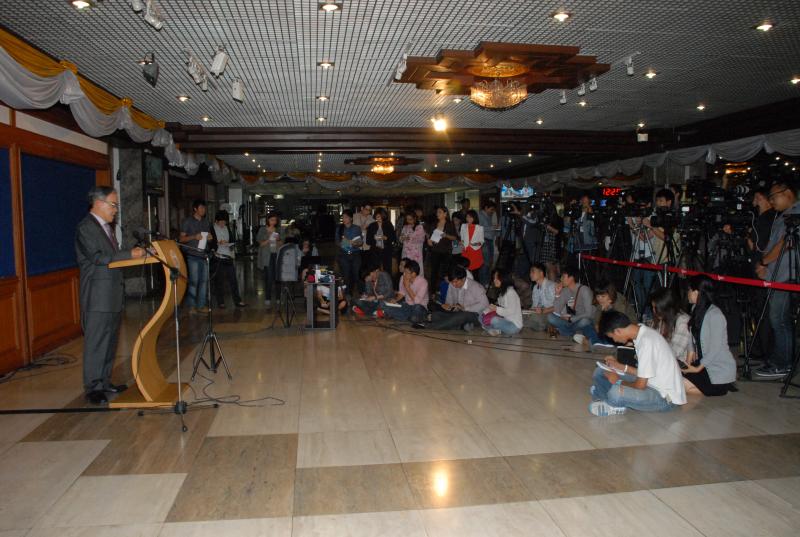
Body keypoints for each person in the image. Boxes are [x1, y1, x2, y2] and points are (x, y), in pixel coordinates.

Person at [75, 186, 145, 405]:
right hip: (97, 296)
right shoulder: (86, 228)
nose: (116, 210)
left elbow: (112, 257)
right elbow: (98, 258)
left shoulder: (106, 228)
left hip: (112, 294)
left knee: (110, 342)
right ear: (99, 203)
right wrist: (129, 254)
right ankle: (93, 388)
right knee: (97, 343)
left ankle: (104, 382)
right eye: (113, 205)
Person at [591, 310, 687, 416]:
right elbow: (643, 373)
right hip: (650, 383)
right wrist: (619, 366)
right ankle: (606, 399)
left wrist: (618, 381)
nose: (614, 340)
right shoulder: (641, 333)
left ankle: (613, 403)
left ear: (618, 331)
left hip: (664, 398)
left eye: (612, 337)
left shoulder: (647, 341)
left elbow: (640, 385)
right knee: (600, 371)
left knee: (616, 392)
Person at [754, 182, 800, 378]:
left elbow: (786, 243)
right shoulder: (783, 215)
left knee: (779, 320)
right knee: (778, 320)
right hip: (777, 274)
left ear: (787, 192)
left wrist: (764, 262)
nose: (772, 201)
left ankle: (783, 363)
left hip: (786, 275)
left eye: (774, 197)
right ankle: (780, 359)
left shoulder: (796, 214)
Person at [683, 275, 737, 395]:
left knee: (682, 385)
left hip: (717, 369)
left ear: (696, 292)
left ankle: (723, 388)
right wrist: (688, 361)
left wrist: (697, 368)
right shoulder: (695, 309)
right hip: (703, 364)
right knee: (676, 379)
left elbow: (715, 349)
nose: (687, 293)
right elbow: (691, 337)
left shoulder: (715, 315)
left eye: (689, 290)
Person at [424, 265, 489, 330]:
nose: (454, 284)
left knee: (462, 316)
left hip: (475, 315)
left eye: (456, 282)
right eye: (452, 282)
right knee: (436, 315)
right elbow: (449, 302)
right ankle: (460, 326)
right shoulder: (451, 285)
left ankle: (431, 326)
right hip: (457, 312)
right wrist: (448, 306)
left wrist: (465, 308)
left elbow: (485, 304)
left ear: (463, 279)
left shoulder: (475, 286)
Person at [180, 199, 214, 314]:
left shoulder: (206, 222)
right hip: (192, 255)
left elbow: (209, 238)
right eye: (201, 208)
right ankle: (192, 306)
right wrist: (194, 237)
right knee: (194, 281)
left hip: (204, 254)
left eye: (204, 208)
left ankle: (201, 305)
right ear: (195, 209)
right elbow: (181, 239)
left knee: (204, 281)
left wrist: (210, 238)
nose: (203, 210)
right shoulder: (187, 222)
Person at [547, 265, 596, 341]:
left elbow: (589, 313)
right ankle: (573, 333)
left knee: (584, 321)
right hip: (573, 321)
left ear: (571, 278)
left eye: (563, 277)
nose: (561, 279)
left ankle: (567, 332)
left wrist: (571, 319)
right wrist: (557, 294)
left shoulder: (584, 290)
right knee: (550, 317)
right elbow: (557, 310)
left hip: (584, 320)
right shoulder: (565, 291)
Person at [577, 281, 629, 353]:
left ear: (610, 295)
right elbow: (596, 321)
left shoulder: (619, 302)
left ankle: (592, 342)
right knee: (586, 326)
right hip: (606, 331)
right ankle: (597, 343)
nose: (600, 299)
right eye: (598, 296)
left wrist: (607, 310)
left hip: (621, 332)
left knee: (607, 334)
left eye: (603, 296)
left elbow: (618, 324)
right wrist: (597, 326)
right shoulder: (601, 303)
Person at [650, 287, 693, 365]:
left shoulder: (683, 322)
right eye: (652, 307)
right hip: (660, 360)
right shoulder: (661, 319)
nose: (653, 311)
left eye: (656, 308)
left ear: (665, 308)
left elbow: (675, 352)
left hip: (676, 364)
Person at [212, 210, 246, 309]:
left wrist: (230, 245)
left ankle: (237, 300)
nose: (223, 224)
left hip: (228, 256)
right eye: (221, 222)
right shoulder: (212, 229)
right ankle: (220, 302)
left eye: (224, 222)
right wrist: (217, 244)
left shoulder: (227, 228)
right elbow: (210, 243)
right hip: (218, 257)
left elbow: (231, 241)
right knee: (219, 281)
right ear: (216, 221)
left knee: (233, 280)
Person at [383, 259, 429, 323]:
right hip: (407, 306)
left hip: (420, 307)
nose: (404, 274)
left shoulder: (423, 282)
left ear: (413, 274)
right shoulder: (403, 277)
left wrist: (407, 287)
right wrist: (395, 300)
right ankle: (409, 317)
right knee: (385, 306)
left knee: (417, 309)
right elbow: (402, 292)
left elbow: (417, 301)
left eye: (406, 272)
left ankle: (410, 317)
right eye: (404, 272)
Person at [426, 206, 458, 296]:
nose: (437, 214)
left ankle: (444, 290)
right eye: (437, 212)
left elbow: (455, 237)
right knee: (434, 271)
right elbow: (429, 234)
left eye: (439, 212)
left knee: (444, 272)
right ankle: (433, 291)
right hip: (435, 250)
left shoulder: (450, 224)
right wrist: (428, 240)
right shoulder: (434, 223)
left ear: (445, 214)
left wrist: (446, 235)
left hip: (446, 251)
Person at [481, 269, 522, 336]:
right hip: (505, 320)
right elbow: (500, 309)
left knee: (494, 320)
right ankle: (495, 329)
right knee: (481, 315)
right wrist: (488, 310)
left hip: (514, 326)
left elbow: (510, 311)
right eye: (494, 278)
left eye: (496, 278)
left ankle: (494, 329)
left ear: (503, 279)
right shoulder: (502, 293)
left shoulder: (510, 292)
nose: (494, 280)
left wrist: (496, 309)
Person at [256, 212, 283, 307]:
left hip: (277, 255)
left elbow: (282, 243)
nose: (273, 222)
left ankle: (278, 298)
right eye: (272, 220)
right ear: (268, 220)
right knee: (269, 277)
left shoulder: (279, 229)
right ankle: (267, 298)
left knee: (278, 277)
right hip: (267, 256)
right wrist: (269, 239)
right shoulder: (262, 229)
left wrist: (278, 239)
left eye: (275, 220)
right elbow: (260, 244)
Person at [337, 209, 363, 298]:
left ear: (351, 218)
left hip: (355, 254)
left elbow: (360, 242)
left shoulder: (356, 228)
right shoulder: (339, 228)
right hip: (344, 254)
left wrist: (351, 242)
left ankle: (361, 293)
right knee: (346, 275)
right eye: (343, 217)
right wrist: (348, 242)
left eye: (346, 217)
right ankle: (348, 295)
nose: (344, 219)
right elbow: (338, 242)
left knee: (357, 275)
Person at [524, 262, 555, 332]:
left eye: (533, 272)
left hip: (551, 314)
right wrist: (528, 311)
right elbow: (534, 306)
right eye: (530, 272)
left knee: (534, 318)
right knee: (522, 315)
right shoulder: (535, 287)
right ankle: (539, 326)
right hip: (540, 314)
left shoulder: (551, 286)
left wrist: (543, 311)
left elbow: (558, 306)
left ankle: (543, 325)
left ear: (541, 273)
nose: (530, 274)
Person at [366, 207, 397, 274]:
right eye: (377, 216)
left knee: (387, 269)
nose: (378, 217)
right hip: (375, 251)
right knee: (375, 269)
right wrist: (374, 238)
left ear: (383, 216)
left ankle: (388, 280)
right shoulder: (372, 226)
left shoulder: (388, 225)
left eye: (380, 216)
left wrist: (386, 238)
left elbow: (394, 238)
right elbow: (368, 241)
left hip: (386, 251)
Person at [460, 209, 484, 280]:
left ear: (474, 218)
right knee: (465, 273)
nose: (468, 218)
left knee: (475, 273)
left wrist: (476, 243)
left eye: (470, 217)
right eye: (467, 217)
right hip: (466, 252)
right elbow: (462, 238)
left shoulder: (479, 228)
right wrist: (462, 242)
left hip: (475, 252)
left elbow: (481, 241)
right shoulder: (463, 226)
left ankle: (476, 286)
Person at [478, 202, 497, 285]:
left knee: (489, 263)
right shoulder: (480, 215)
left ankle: (487, 282)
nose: (492, 211)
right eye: (491, 209)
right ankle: (483, 283)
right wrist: (492, 227)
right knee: (485, 263)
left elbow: (489, 229)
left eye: (493, 210)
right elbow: (479, 228)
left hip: (489, 241)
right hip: (484, 241)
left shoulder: (488, 216)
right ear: (486, 207)